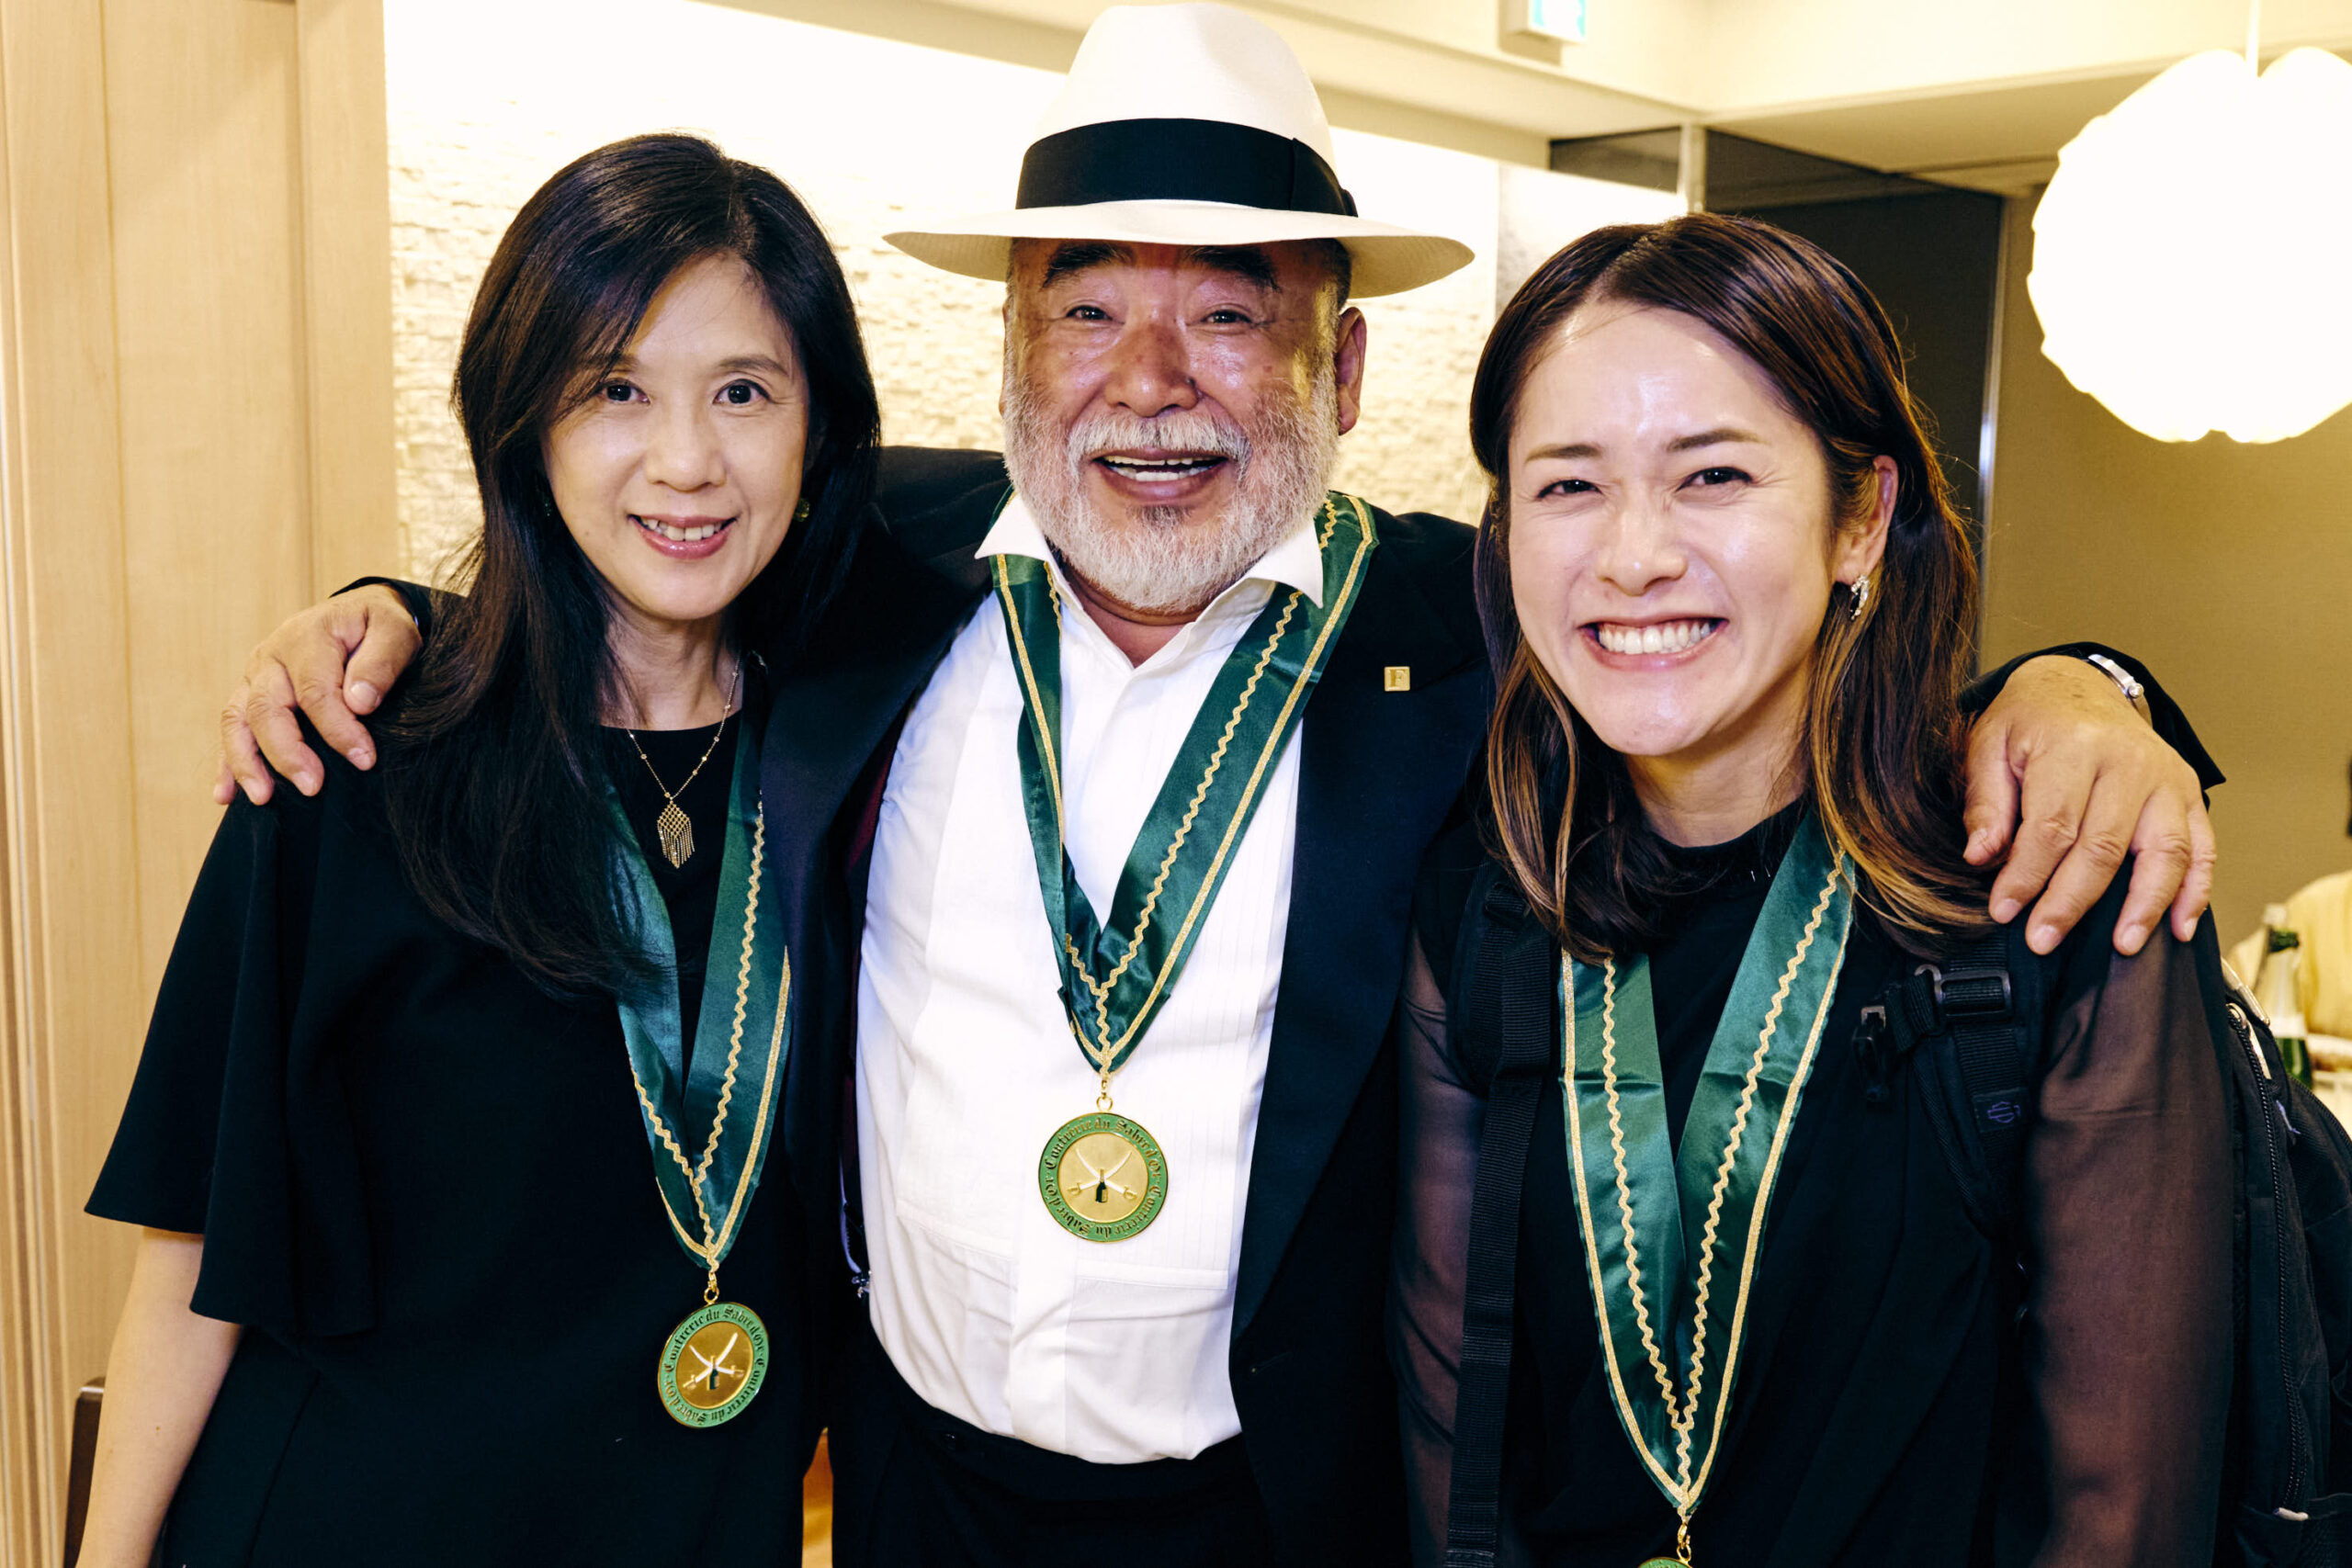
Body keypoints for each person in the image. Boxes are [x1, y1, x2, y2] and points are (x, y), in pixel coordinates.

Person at [209, 8, 2219, 1563]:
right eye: (1089, 308)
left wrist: (2083, 690)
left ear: (1341, 374)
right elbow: (616, 571)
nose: (1149, 380)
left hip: (1282, 1511)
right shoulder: (860, 579)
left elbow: (1744, 629)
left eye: (1230, 314)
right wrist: (386, 621)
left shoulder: (1473, 629)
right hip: (907, 1488)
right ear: (1011, 353)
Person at [76, 133, 880, 1567]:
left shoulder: (863, 748)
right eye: (616, 389)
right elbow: (195, 1247)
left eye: (745, 391)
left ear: (818, 429)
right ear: (525, 421)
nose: (687, 461)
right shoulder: (352, 755)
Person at [1391, 213, 2232, 1566]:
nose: (1633, 556)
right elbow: (1453, 1439)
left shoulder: (2043, 885)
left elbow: (2120, 1512)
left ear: (1861, 519)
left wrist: (2091, 686)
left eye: (1714, 475)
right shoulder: (1486, 900)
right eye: (1568, 486)